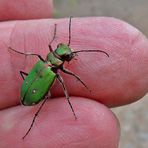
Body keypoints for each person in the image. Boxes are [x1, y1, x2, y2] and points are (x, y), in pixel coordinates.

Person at [0, 1, 147, 147]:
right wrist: (81, 84)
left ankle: (37, 112)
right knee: (49, 95)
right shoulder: (54, 73)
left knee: (29, 76)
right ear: (60, 57)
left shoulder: (42, 61)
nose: (70, 56)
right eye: (67, 56)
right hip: (32, 93)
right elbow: (71, 80)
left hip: (30, 86)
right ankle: (36, 119)